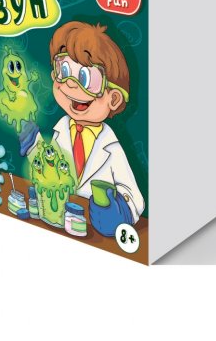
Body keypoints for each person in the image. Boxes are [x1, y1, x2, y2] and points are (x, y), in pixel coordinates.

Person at [19, 21, 144, 224]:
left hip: (95, 228)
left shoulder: (111, 148)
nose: (70, 84)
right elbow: (51, 164)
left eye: (86, 78)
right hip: (57, 217)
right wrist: (33, 144)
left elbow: (135, 197)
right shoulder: (61, 130)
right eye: (63, 70)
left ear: (113, 98)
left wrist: (120, 210)